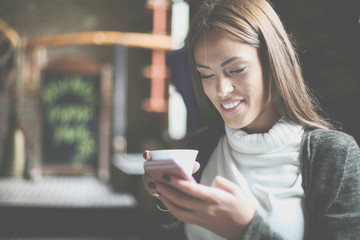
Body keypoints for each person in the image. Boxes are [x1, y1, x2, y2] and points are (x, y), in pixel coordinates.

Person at [142, 0, 360, 239]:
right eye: (206, 75)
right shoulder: (201, 148)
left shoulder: (334, 157)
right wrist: (168, 198)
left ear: (273, 62)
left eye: (236, 70)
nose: (221, 90)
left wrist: (246, 230)